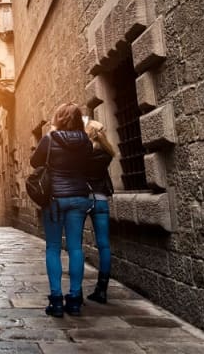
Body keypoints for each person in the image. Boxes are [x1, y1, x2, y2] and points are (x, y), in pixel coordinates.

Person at [29, 103, 104, 318]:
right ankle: (74, 299)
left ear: (58, 118)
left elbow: (35, 163)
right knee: (76, 248)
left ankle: (56, 301)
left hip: (54, 200)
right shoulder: (86, 142)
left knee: (53, 247)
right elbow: (89, 168)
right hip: (79, 198)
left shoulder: (49, 139)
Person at [85, 119, 117, 304]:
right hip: (101, 200)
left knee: (75, 245)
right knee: (104, 245)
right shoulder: (107, 154)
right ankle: (102, 289)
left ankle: (75, 291)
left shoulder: (83, 154)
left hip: (84, 199)